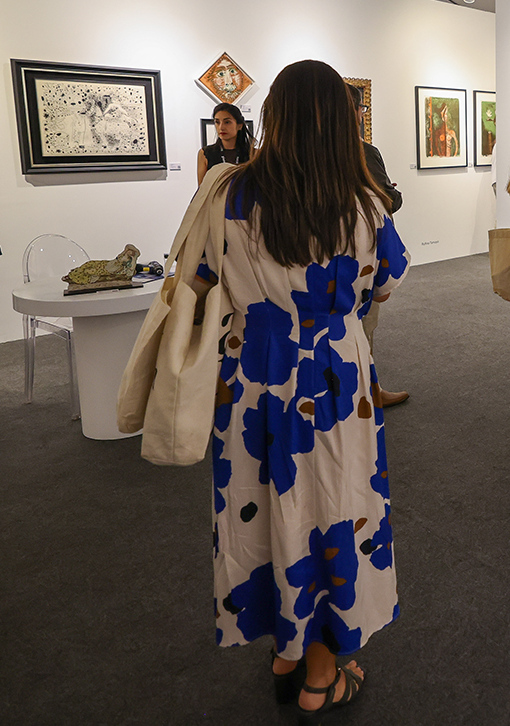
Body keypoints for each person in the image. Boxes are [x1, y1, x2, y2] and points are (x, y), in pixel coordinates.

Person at [198, 59, 407, 719]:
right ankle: (320, 674)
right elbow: (386, 282)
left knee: (261, 506)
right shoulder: (364, 203)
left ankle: (287, 651)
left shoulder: (229, 194)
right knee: (331, 508)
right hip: (335, 378)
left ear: (273, 117)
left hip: (253, 376)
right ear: (344, 125)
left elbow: (201, 276)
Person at [348, 84, 408, 408]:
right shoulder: (364, 152)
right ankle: (368, 393)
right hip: (360, 255)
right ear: (355, 111)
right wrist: (391, 193)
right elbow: (387, 200)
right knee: (363, 325)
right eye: (361, 109)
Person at [196, 102, 253, 183]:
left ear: (239, 125)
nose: (221, 127)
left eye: (227, 122)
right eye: (217, 122)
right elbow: (203, 188)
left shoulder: (253, 153)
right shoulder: (206, 153)